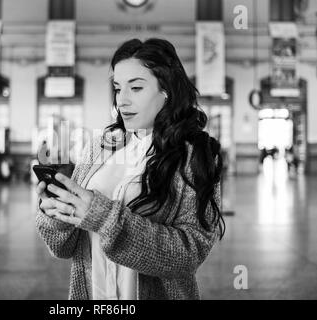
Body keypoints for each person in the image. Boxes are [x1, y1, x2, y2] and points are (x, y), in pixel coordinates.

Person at [35, 38, 225, 300]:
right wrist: (59, 213)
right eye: (117, 88)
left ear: (166, 91)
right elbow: (64, 249)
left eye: (135, 88)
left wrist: (104, 217)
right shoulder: (100, 147)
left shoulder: (195, 156)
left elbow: (190, 253)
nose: (121, 101)